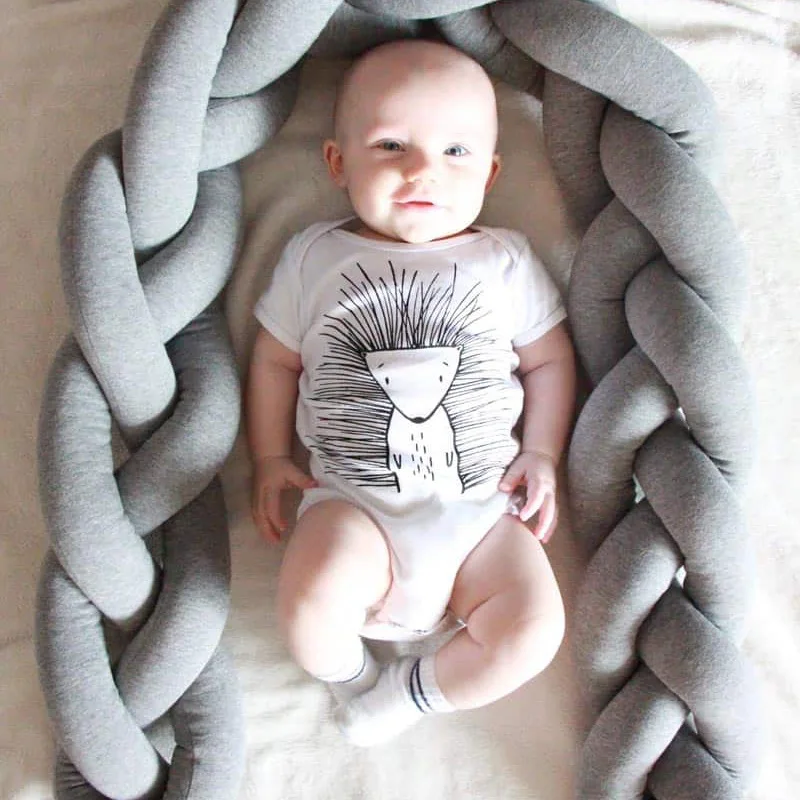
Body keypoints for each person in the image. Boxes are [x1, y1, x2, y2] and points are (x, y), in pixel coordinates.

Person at [246, 38, 575, 747]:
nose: (423, 169)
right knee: (306, 610)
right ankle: (354, 677)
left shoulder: (503, 260)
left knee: (534, 630)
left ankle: (409, 695)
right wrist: (269, 458)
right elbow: (273, 362)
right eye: (391, 144)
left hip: (483, 517)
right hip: (352, 512)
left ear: (490, 173)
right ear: (338, 162)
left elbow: (549, 362)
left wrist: (543, 452)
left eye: (456, 151)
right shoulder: (314, 256)